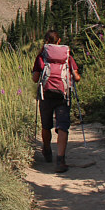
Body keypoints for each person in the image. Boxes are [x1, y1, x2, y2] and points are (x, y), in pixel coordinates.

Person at [31, 30, 80, 173]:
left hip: (46, 95)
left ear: (46, 41)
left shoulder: (42, 56)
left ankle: (46, 150)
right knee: (62, 126)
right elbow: (76, 77)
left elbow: (35, 78)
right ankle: (60, 159)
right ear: (59, 41)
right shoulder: (67, 55)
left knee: (46, 125)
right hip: (63, 96)